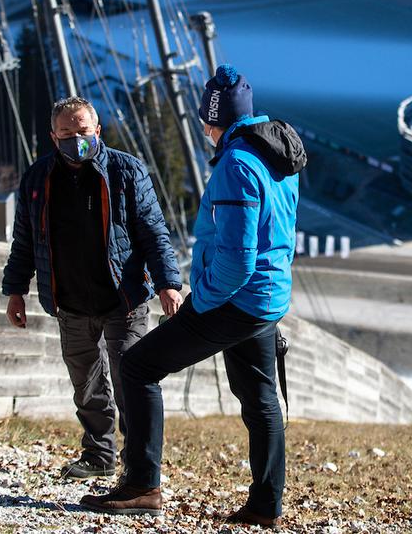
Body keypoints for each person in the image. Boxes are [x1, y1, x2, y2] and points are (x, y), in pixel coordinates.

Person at [80, 65, 306, 527]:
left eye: (205, 120)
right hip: (268, 296)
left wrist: (198, 302)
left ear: (211, 120)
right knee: (260, 399)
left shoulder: (238, 164)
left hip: (233, 299)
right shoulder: (275, 152)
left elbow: (236, 259)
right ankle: (266, 505)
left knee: (139, 367)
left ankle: (142, 484)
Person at [1, 96, 183, 479]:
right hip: (69, 301)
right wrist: (15, 290)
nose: (76, 139)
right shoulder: (37, 179)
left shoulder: (126, 171)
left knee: (128, 378)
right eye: (67, 133)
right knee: (86, 384)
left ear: (97, 131)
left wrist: (168, 283)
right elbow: (25, 241)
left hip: (124, 297)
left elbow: (154, 232)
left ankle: (139, 463)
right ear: (54, 137)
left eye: (83, 131)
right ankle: (99, 455)